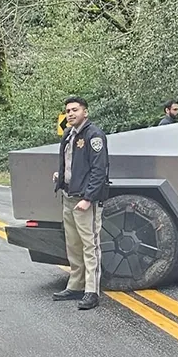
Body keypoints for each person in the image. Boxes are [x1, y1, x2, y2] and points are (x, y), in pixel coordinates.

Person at [52, 96, 109, 310]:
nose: (71, 114)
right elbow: (73, 164)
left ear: (85, 112)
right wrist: (62, 176)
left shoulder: (94, 135)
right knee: (73, 245)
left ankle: (91, 291)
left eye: (75, 109)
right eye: (68, 110)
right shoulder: (69, 134)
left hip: (85, 200)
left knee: (90, 245)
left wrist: (88, 198)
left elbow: (98, 170)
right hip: (68, 196)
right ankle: (75, 286)